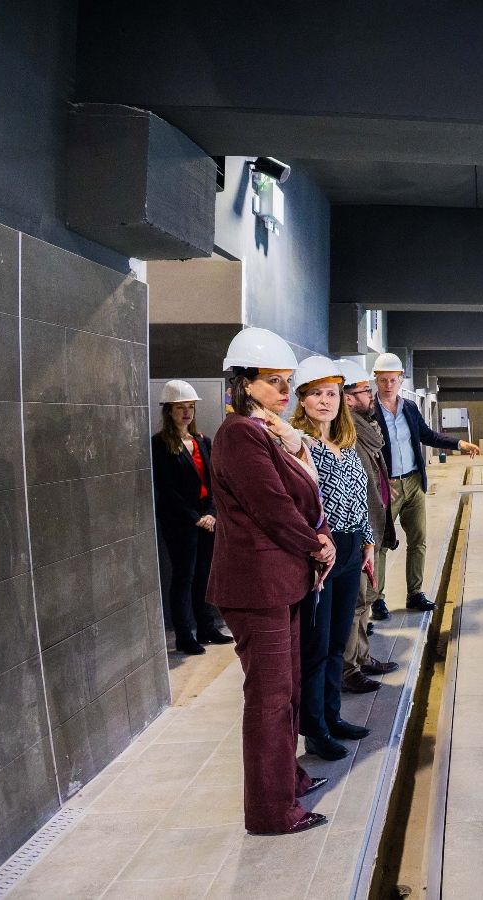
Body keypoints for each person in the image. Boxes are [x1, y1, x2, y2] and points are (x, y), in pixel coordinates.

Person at [207, 327, 334, 836]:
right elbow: (272, 507)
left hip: (285, 581)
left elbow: (302, 497)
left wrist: (318, 533)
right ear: (243, 383)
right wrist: (315, 543)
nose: (285, 391)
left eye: (287, 382)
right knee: (268, 697)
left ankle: (288, 778)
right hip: (258, 585)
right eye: (274, 382)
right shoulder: (239, 433)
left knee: (287, 693)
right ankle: (270, 811)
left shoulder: (272, 433)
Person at [288, 356, 375, 761]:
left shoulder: (345, 446)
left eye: (332, 394)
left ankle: (333, 716)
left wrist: (368, 541)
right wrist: (316, 546)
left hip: (352, 546)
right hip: (322, 552)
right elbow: (297, 505)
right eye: (317, 394)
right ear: (302, 400)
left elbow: (361, 498)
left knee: (338, 641)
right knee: (318, 647)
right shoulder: (297, 445)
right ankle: (316, 730)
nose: (326, 401)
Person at [369, 352, 478, 617]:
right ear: (376, 380)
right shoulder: (369, 412)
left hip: (414, 481)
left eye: (392, 379)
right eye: (382, 380)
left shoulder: (409, 407)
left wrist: (457, 443)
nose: (388, 385)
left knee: (418, 540)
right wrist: (380, 482)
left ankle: (415, 593)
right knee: (381, 543)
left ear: (401, 379)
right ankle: (377, 599)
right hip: (388, 487)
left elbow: (427, 435)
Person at [150, 380, 231, 655]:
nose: (186, 413)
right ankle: (185, 635)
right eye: (180, 408)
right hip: (180, 522)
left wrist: (210, 513)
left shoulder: (202, 441)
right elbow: (167, 488)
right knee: (184, 577)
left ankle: (207, 627)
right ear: (169, 411)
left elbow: (213, 480)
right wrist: (194, 517)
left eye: (190, 408)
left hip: (206, 519)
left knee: (205, 575)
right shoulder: (160, 444)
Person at [338, 357, 398, 694]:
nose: (371, 396)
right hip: (362, 533)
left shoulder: (365, 431)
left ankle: (361, 657)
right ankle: (350, 670)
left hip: (373, 528)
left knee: (366, 599)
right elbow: (358, 492)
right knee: (358, 602)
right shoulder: (351, 439)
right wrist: (366, 538)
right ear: (349, 398)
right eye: (365, 391)